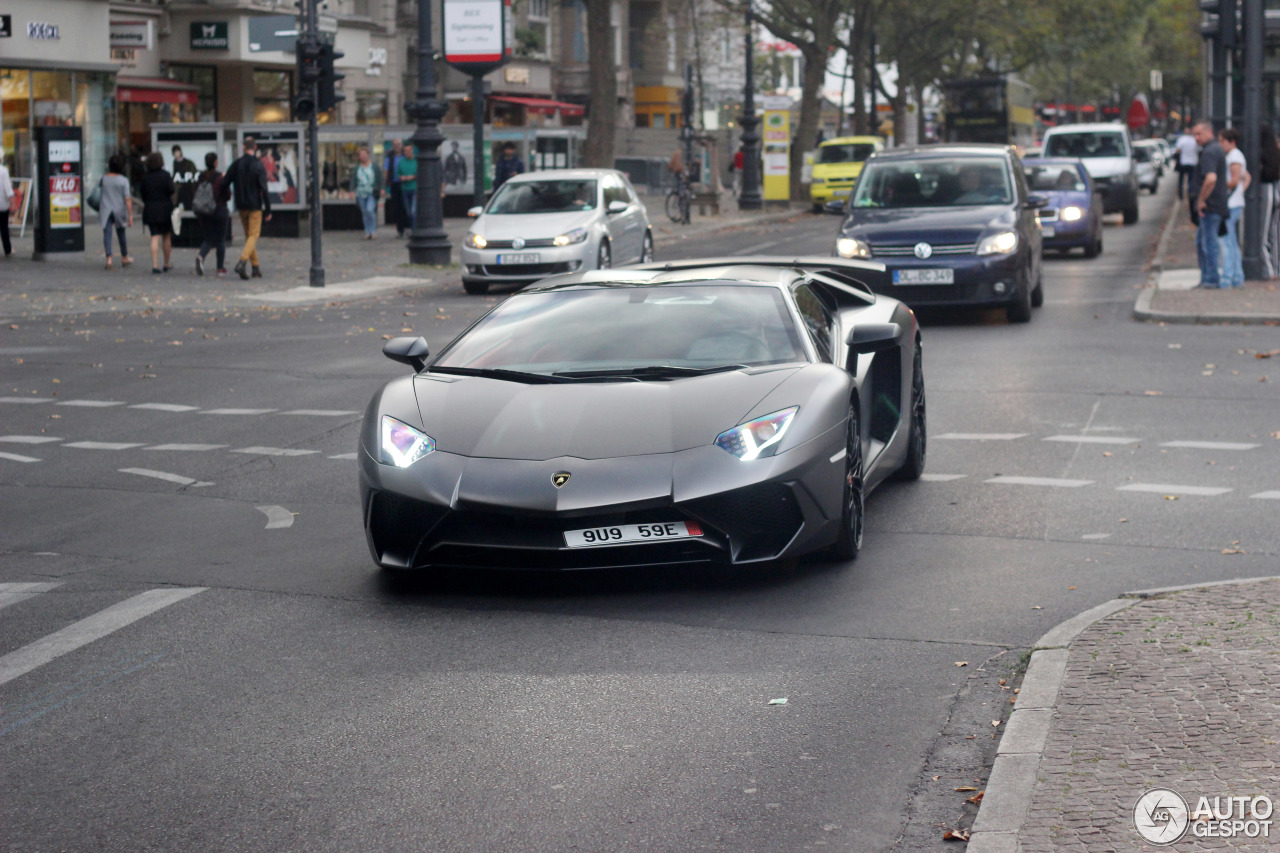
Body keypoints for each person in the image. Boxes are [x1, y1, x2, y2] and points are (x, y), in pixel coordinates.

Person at [222, 135, 272, 280]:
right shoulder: (258, 165)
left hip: (241, 205)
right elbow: (264, 188)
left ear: (244, 148)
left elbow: (225, 182)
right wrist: (268, 209)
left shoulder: (236, 164)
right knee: (254, 235)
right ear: (255, 148)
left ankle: (255, 268)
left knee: (249, 236)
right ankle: (242, 262)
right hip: (255, 205)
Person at [1191, 120, 1228, 289]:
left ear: (1208, 132)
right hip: (1214, 204)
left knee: (1208, 244)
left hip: (1210, 206)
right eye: (1194, 135)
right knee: (1202, 242)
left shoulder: (1210, 152)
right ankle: (1207, 277)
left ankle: (1211, 279)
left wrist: (1201, 200)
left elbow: (1210, 179)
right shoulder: (1214, 150)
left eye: (1199, 134)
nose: (1196, 138)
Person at [1218, 128, 1250, 289]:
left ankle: (1228, 277)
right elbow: (1247, 177)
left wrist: (1219, 187)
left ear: (1231, 142)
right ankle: (1237, 276)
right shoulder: (1235, 156)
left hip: (1231, 204)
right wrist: (1240, 192)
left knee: (1226, 242)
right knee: (1231, 241)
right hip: (1235, 202)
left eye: (1223, 142)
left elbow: (1235, 179)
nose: (1221, 145)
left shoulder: (1234, 157)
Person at [194, 151, 230, 277]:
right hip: (219, 210)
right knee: (220, 240)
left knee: (209, 238)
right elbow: (227, 195)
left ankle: (201, 256)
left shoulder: (201, 177)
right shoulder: (220, 177)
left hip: (204, 212)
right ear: (215, 163)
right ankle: (220, 268)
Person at [139, 151, 175, 274]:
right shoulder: (165, 175)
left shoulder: (146, 177)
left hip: (150, 209)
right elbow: (171, 190)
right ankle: (166, 263)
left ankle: (155, 265)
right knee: (166, 236)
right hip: (165, 209)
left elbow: (142, 194)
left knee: (154, 236)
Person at [99, 153, 133, 270]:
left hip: (106, 209)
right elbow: (127, 199)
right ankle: (124, 257)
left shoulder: (103, 178)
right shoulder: (123, 181)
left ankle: (109, 259)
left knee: (107, 234)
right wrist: (130, 215)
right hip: (119, 210)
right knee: (121, 233)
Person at [1259, 124, 1280, 279]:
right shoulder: (1275, 153)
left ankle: (1268, 270)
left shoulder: (1260, 154)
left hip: (1266, 192)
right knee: (1275, 233)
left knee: (1263, 234)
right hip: (1276, 191)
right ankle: (1276, 268)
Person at [352, 146, 382, 240]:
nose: (363, 157)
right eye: (361, 155)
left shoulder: (374, 166)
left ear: (368, 155)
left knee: (370, 210)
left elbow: (379, 177)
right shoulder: (357, 168)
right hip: (360, 192)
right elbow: (353, 179)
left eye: (364, 155)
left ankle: (372, 231)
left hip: (372, 192)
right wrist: (352, 190)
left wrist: (381, 188)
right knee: (364, 212)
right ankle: (367, 231)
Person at [383, 139, 407, 237]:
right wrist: (385, 185)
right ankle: (400, 230)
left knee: (405, 206)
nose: (396, 146)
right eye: (395, 145)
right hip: (394, 184)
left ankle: (407, 228)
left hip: (405, 183)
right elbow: (386, 171)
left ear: (401, 145)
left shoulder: (405, 156)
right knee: (397, 208)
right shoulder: (390, 157)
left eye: (398, 144)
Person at [171, 145, 199, 211]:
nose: (177, 154)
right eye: (175, 152)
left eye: (178, 151)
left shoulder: (188, 163)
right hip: (179, 189)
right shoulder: (175, 163)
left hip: (188, 188)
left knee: (188, 206)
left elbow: (194, 174)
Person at [1174, 126, 1198, 201]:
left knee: (1181, 180)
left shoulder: (1181, 140)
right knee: (1191, 180)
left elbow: (1177, 151)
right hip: (1193, 163)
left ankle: (1181, 195)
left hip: (1183, 162)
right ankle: (1190, 193)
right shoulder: (1194, 140)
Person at [398, 144, 418, 230]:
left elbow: (420, 173)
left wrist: (413, 177)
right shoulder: (401, 162)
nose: (407, 152)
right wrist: (402, 177)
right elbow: (398, 174)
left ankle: (414, 230)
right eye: (405, 151)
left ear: (412, 151)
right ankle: (412, 227)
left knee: (413, 211)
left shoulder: (416, 161)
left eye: (409, 150)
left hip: (414, 188)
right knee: (408, 211)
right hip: (405, 189)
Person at [0, 148, 14, 258]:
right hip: (2, 204)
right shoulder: (3, 171)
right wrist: (12, 202)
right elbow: (7, 189)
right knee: (4, 227)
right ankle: (7, 249)